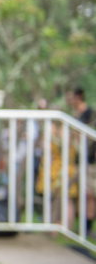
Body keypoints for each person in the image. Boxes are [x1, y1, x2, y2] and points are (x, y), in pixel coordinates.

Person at [66, 86, 96, 231]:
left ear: (78, 97)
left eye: (70, 97)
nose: (68, 101)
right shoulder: (74, 115)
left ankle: (88, 227)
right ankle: (80, 227)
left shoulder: (90, 114)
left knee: (89, 193)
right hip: (76, 160)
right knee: (78, 193)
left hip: (90, 161)